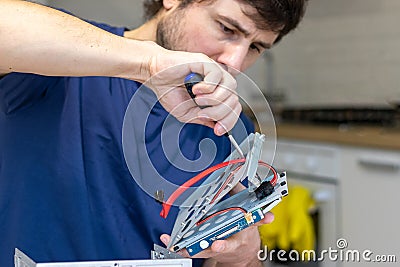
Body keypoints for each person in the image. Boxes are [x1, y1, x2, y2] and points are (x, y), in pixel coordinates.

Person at [0, 0, 307, 267]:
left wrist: (244, 257)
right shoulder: (63, 65)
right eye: (227, 28)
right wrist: (150, 63)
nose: (234, 62)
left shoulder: (231, 130)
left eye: (255, 47)